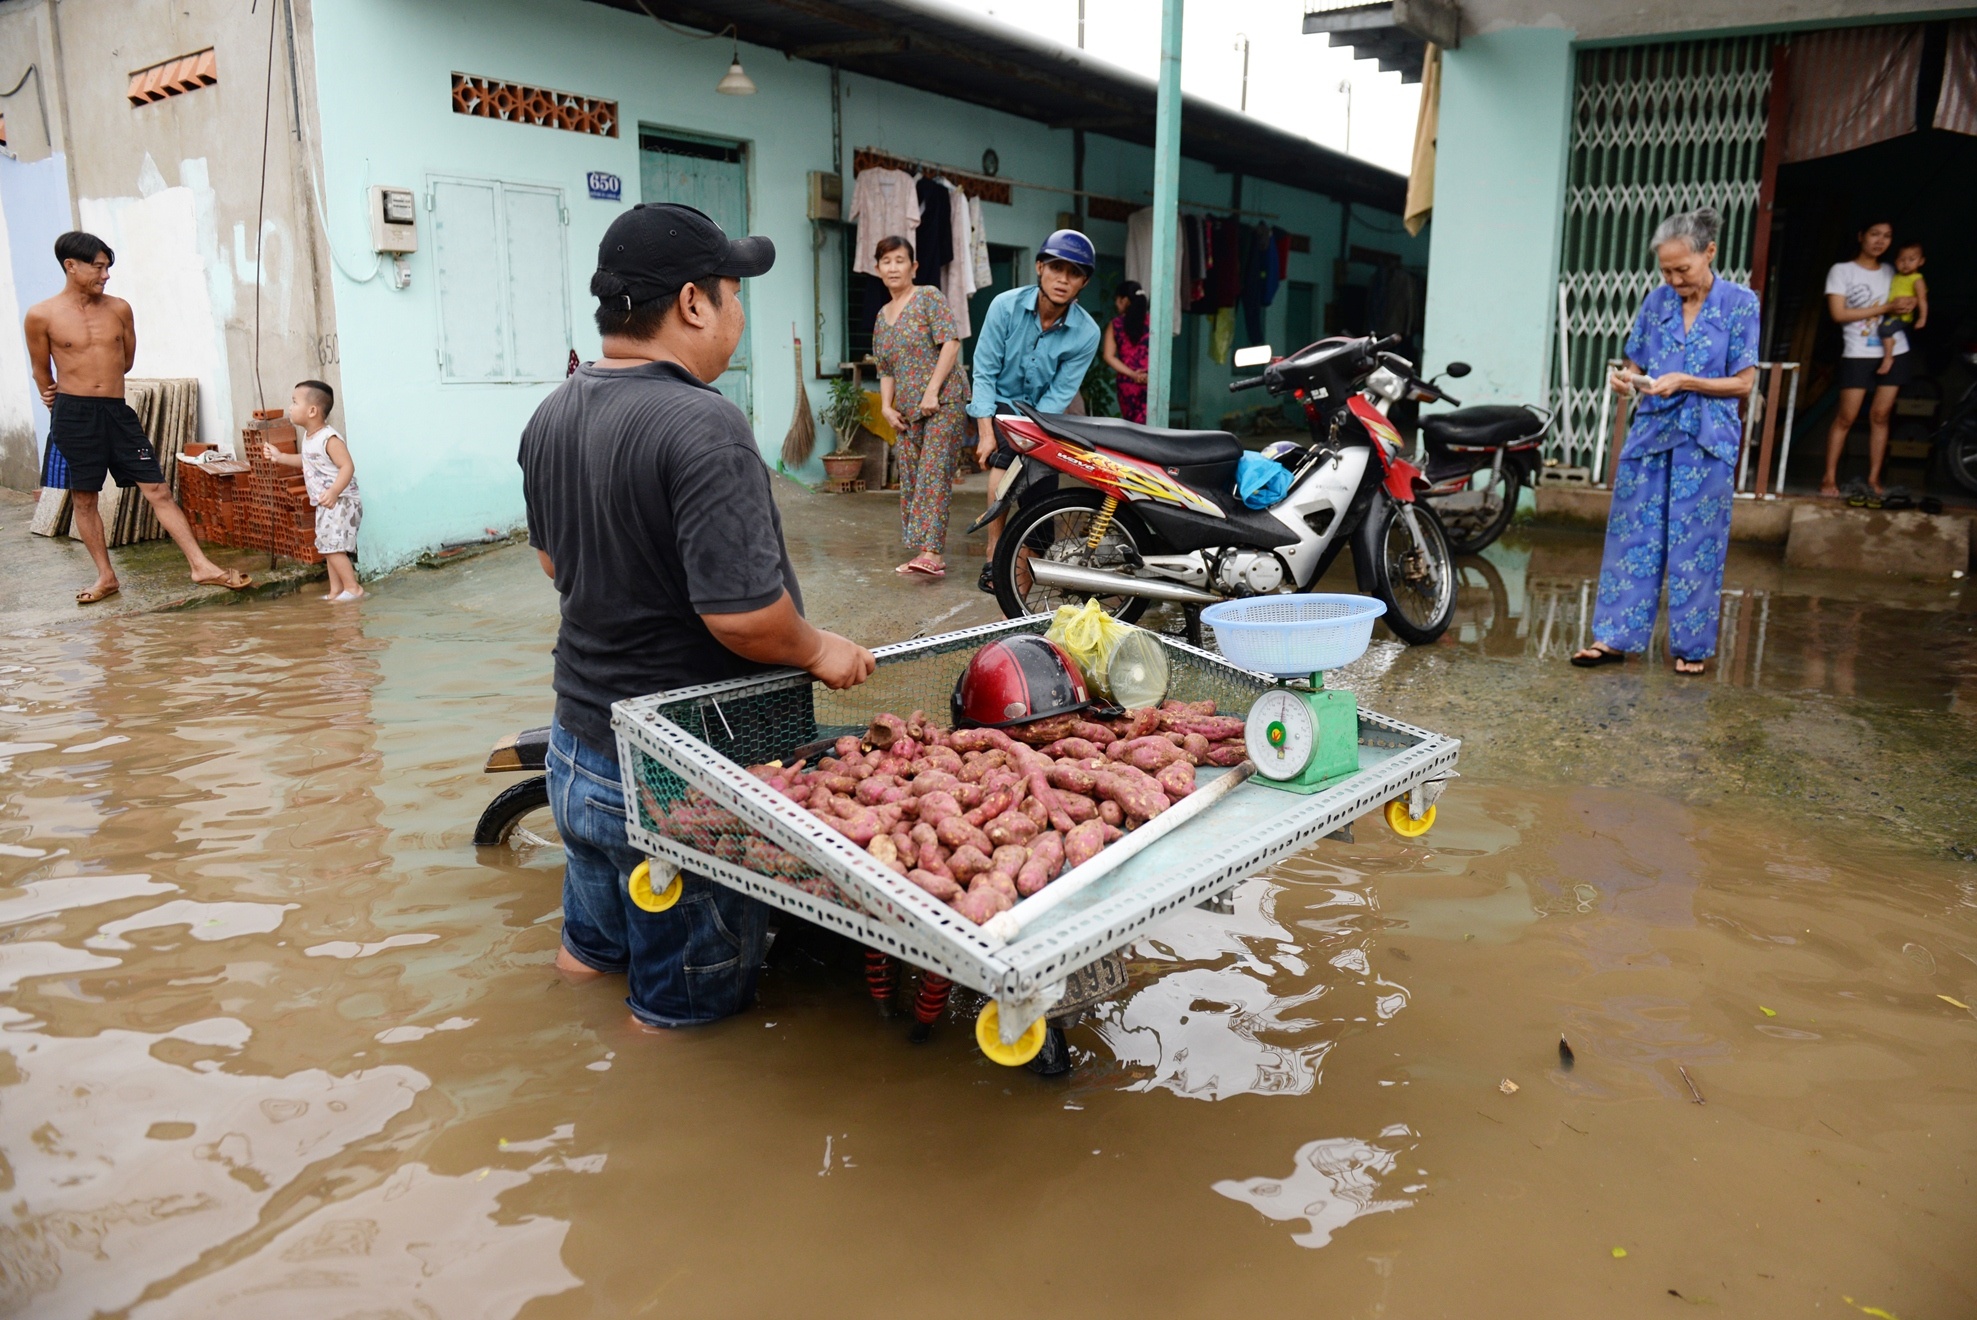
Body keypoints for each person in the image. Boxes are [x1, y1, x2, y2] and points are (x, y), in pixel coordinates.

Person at [518, 202, 874, 1033]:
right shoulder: (704, 424)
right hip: (683, 775)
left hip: (578, 748)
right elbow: (745, 619)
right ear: (691, 303)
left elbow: (554, 566)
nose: (740, 312)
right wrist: (820, 648)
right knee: (681, 1017)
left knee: (588, 956)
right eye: (733, 290)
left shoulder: (552, 413)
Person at [1571, 206, 1757, 677]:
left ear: (1709, 253)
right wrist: (1624, 379)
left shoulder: (1740, 304)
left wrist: (1689, 381)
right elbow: (1635, 364)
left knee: (1697, 546)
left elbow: (1743, 383)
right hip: (1652, 433)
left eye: (1683, 269)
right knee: (1632, 539)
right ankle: (1613, 638)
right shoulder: (1657, 303)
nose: (1674, 279)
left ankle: (1691, 646)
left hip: (1707, 439)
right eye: (1667, 270)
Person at [23, 231, 252, 603]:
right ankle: (106, 576)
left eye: (107, 268)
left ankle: (200, 566)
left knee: (157, 488)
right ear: (71, 266)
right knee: (84, 498)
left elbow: (125, 360)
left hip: (116, 411)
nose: (106, 275)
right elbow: (40, 369)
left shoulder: (119, 309)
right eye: (98, 267)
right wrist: (53, 396)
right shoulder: (41, 315)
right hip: (74, 414)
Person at [968, 228, 1101, 590]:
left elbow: (1059, 395)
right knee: (1005, 454)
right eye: (1056, 267)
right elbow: (984, 370)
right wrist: (984, 432)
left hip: (1047, 414)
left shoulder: (1086, 333)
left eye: (1074, 273)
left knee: (1041, 501)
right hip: (999, 404)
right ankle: (994, 552)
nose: (1063, 279)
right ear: (1039, 267)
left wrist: (1033, 437)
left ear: (1083, 283)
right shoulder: (1004, 306)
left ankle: (1019, 599)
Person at [871, 235, 969, 580]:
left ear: (913, 266)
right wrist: (886, 406)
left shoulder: (928, 297)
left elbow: (951, 344)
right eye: (887, 261)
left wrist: (932, 392)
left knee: (933, 471)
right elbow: (885, 368)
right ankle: (922, 549)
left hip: (944, 401)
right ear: (877, 268)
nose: (893, 267)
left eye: (900, 260)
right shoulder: (882, 317)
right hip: (908, 411)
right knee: (911, 475)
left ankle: (933, 554)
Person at [1819, 220, 1917, 499]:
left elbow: (1911, 296)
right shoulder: (1841, 271)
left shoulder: (1892, 270)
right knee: (1846, 417)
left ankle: (1874, 478)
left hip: (1895, 351)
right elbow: (1838, 315)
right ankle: (1828, 477)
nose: (1880, 241)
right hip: (1858, 352)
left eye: (1887, 236)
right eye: (1874, 234)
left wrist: (1910, 305)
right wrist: (1887, 306)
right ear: (1861, 235)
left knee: (1881, 416)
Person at [261, 380, 362, 602]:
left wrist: (334, 491)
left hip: (342, 500)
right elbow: (306, 461)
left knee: (333, 547)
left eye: (294, 402)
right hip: (326, 502)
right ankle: (336, 591)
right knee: (327, 547)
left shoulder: (329, 438)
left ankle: (353, 588)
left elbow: (348, 466)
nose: (290, 407)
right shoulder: (310, 437)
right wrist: (280, 457)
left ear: (312, 410)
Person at [1101, 279, 1150, 423]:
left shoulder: (1115, 324)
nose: (1116, 304)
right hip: (1151, 381)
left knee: (1132, 427)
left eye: (1117, 300)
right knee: (1151, 429)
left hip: (1127, 383)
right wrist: (1147, 375)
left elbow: (1108, 356)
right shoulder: (1154, 322)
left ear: (1124, 300)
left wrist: (1133, 374)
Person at [1877, 241, 1927, 377]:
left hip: (1901, 316)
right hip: (1891, 312)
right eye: (1902, 260)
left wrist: (1922, 318)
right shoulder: (1896, 276)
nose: (1906, 263)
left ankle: (1888, 357)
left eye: (1912, 259)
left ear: (1921, 261)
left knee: (1884, 329)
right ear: (1896, 261)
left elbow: (1922, 299)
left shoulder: (1917, 279)